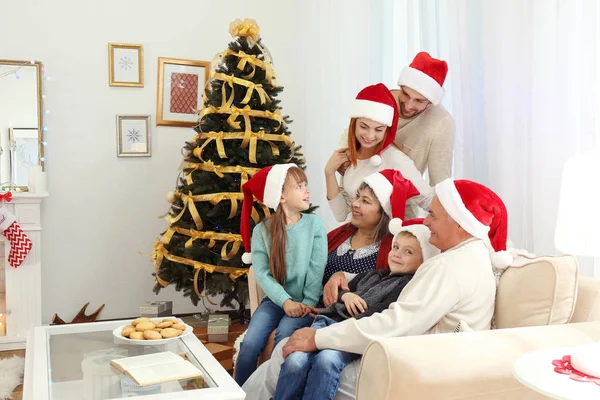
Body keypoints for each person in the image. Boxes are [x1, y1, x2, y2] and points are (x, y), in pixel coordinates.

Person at [242, 178, 512, 400]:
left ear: (460, 224)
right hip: (423, 355)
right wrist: (343, 278)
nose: (426, 221)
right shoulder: (471, 255)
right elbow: (381, 279)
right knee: (292, 354)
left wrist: (319, 339)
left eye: (432, 215)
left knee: (292, 354)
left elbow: (396, 324)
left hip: (415, 365)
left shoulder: (448, 267)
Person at [273, 223, 439, 400]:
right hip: (326, 321)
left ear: (424, 261)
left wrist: (348, 312)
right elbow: (342, 291)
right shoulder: (373, 274)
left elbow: (379, 313)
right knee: (295, 359)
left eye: (408, 252)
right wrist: (346, 296)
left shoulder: (406, 286)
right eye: (396, 247)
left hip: (352, 330)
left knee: (326, 361)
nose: (397, 254)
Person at [235, 164, 328, 386]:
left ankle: (272, 390)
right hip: (276, 302)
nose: (307, 191)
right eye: (299, 186)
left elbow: (317, 268)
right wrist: (285, 301)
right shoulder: (262, 231)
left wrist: (305, 303)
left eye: (306, 185)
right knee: (249, 344)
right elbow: (263, 274)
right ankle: (240, 393)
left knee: (283, 337)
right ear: (282, 196)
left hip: (306, 303)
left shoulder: (314, 224)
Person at [326, 83, 432, 222]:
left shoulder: (395, 159)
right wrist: (329, 172)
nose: (370, 136)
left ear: (387, 130)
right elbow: (341, 214)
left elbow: (427, 198)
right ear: (354, 124)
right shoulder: (350, 156)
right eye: (364, 127)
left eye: (378, 129)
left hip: (384, 237)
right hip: (357, 233)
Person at [393, 52, 455, 185]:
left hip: (402, 201)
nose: (409, 105)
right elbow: (348, 143)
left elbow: (440, 183)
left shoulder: (442, 123)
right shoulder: (381, 101)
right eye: (405, 94)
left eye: (419, 101)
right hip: (357, 197)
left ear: (431, 102)